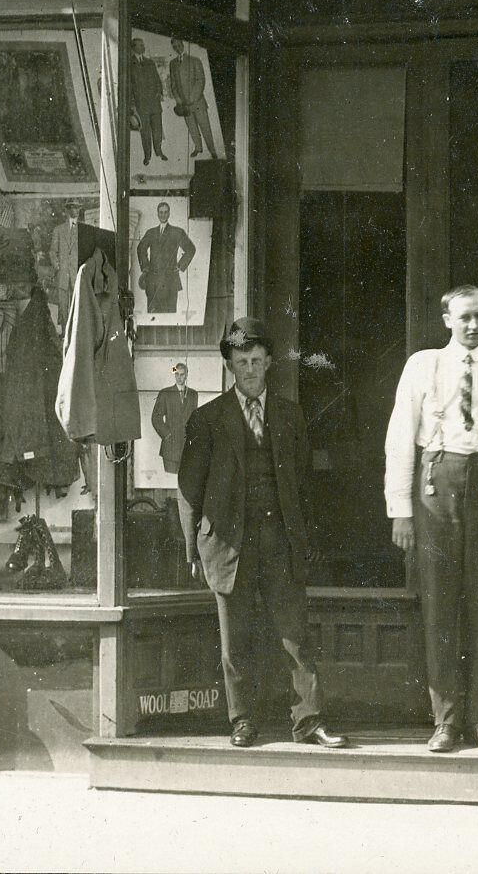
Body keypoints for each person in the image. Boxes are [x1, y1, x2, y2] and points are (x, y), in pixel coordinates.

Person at [178, 319, 348, 750]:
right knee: (235, 640)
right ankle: (242, 721)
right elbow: (189, 490)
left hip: (280, 541)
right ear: (230, 366)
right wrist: (192, 550)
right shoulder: (207, 419)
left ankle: (309, 721)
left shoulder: (290, 415)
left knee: (295, 636)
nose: (250, 370)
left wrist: (306, 540)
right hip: (227, 544)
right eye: (241, 362)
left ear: (270, 362)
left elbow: (304, 483)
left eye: (256, 360)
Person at [384, 285, 478, 753]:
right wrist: (400, 511)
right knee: (439, 604)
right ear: (447, 320)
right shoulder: (423, 365)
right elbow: (399, 439)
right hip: (437, 486)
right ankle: (445, 721)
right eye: (465, 317)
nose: (474, 325)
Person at [135, 201, 195, 316]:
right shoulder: (151, 232)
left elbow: (190, 249)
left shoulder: (177, 232)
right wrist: (146, 268)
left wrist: (180, 266)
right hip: (153, 282)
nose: (163, 215)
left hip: (170, 282)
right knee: (153, 317)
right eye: (161, 212)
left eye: (165, 212)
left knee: (169, 316)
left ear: (169, 214)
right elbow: (141, 248)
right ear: (157, 214)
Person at [167, 37, 219, 159]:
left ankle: (212, 150)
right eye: (174, 47)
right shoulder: (172, 64)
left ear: (183, 44)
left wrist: (192, 98)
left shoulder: (195, 60)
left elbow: (200, 80)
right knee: (192, 127)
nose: (177, 48)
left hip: (197, 102)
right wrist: (177, 98)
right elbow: (173, 84)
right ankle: (198, 148)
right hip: (184, 105)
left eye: (179, 45)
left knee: (205, 127)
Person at [153, 361, 199, 475]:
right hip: (170, 448)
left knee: (186, 480)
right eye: (177, 374)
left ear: (186, 375)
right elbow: (156, 417)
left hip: (188, 448)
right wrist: (166, 435)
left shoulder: (193, 394)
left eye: (182, 374)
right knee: (170, 480)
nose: (179, 377)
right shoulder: (165, 393)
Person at [129, 37, 167, 166]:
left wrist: (159, 92)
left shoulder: (150, 62)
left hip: (154, 104)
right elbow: (129, 87)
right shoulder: (129, 64)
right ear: (134, 47)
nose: (143, 47)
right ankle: (147, 156)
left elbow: (157, 79)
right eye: (140, 45)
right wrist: (133, 106)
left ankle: (159, 151)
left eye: (143, 45)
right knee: (145, 132)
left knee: (157, 130)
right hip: (141, 106)